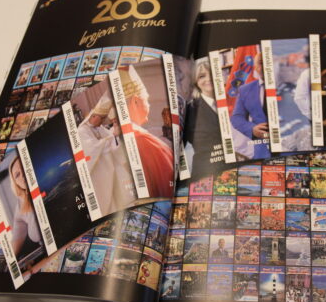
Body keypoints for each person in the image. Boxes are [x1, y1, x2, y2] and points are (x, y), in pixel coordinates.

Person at [120, 65, 174, 198]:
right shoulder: (145, 141)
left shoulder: (122, 136)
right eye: (147, 100)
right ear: (135, 102)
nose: (149, 105)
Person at [78, 95, 134, 214]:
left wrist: (115, 134)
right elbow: (91, 149)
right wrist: (112, 136)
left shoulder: (99, 128)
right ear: (93, 116)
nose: (103, 121)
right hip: (96, 170)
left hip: (107, 166)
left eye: (104, 118)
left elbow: (111, 139)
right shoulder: (81, 131)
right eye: (102, 118)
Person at [183, 59, 222, 178]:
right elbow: (180, 144)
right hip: (205, 172)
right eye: (202, 76)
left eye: (212, 73)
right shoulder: (190, 109)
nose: (208, 79)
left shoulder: (231, 100)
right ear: (196, 82)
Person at [230, 53, 271, 159]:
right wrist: (252, 129)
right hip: (262, 152)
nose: (266, 66)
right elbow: (236, 117)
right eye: (261, 63)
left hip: (290, 146)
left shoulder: (289, 85)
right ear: (255, 67)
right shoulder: (245, 90)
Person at [9, 155, 43, 258]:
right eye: (17, 175)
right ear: (16, 184)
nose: (23, 174)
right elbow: (14, 249)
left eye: (24, 167)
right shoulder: (22, 204)